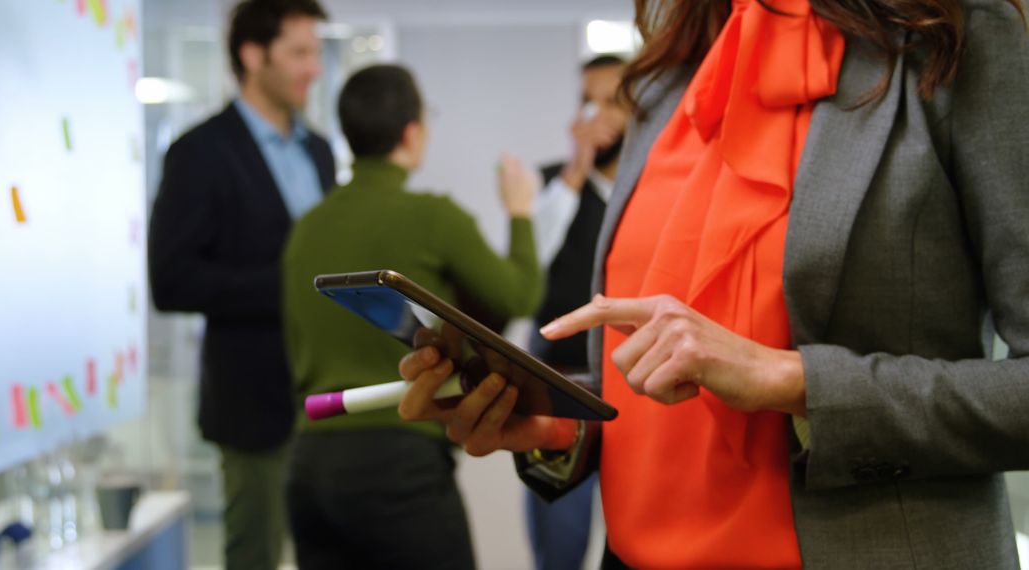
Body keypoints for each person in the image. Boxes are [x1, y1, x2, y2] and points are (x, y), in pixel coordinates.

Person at [397, 0, 1029, 567]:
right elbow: (667, 391)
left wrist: (793, 381)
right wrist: (557, 422)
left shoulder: (957, 34)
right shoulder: (666, 77)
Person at [281, 64, 542, 569]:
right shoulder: (433, 217)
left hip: (310, 465)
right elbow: (519, 295)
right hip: (397, 464)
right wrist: (520, 211)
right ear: (411, 131)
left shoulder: (306, 229)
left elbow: (293, 343)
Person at [147, 1, 334, 568]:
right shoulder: (200, 152)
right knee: (254, 554)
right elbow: (171, 281)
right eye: (299, 52)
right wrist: (289, 287)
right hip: (253, 402)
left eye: (316, 52)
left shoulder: (319, 151)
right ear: (253, 56)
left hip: (326, 398)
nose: (314, 68)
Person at [525, 54, 628, 570]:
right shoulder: (553, 183)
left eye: (611, 100)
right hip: (560, 378)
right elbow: (529, 261)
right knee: (561, 541)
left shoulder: (653, 185)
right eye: (588, 100)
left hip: (634, 384)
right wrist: (575, 168)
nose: (597, 112)